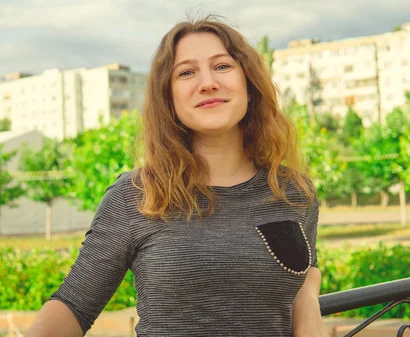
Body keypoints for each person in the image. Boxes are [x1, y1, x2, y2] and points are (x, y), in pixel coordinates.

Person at [25, 15, 329, 337]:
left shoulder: (294, 192)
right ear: (168, 99)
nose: (208, 82)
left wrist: (309, 294)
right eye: (186, 72)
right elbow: (73, 305)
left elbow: (300, 303)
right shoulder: (136, 195)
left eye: (223, 66)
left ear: (249, 86)